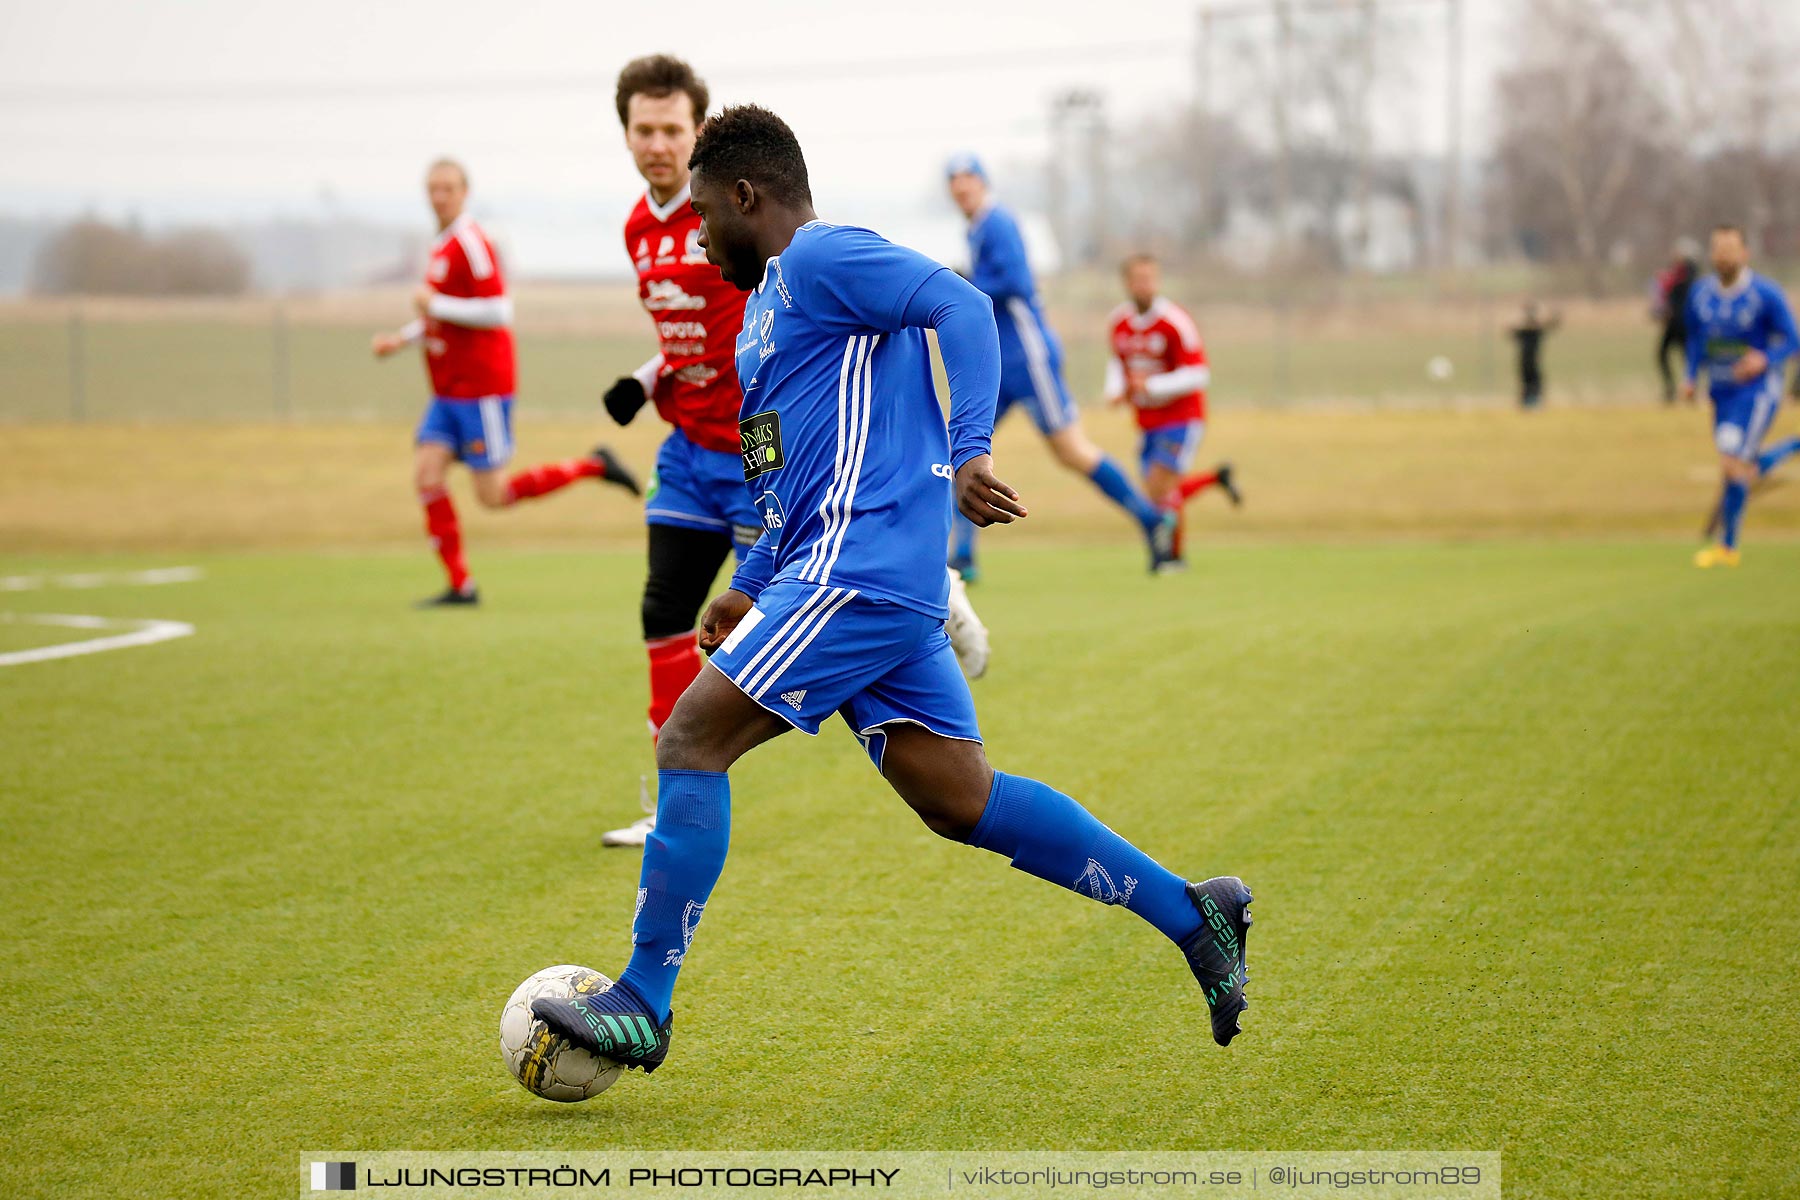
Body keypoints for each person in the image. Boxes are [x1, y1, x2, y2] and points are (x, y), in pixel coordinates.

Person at [531, 106, 1253, 1072]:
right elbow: (790, 478)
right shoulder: (759, 320)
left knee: (691, 739)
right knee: (958, 798)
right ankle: (1192, 914)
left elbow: (963, 304)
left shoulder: (824, 258)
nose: (697, 234)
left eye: (705, 212)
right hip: (852, 581)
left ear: (748, 195)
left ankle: (644, 1000)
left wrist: (969, 452)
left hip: (857, 576)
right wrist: (748, 583)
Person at [597, 59, 990, 849]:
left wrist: (967, 449)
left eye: (673, 128)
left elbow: (952, 304)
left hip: (787, 468)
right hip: (704, 446)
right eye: (644, 129)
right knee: (663, 613)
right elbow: (700, 343)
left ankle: (923, 575)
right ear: (627, 136)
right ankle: (669, 787)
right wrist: (646, 379)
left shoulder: (792, 252)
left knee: (721, 709)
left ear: (699, 135)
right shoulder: (644, 230)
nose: (658, 144)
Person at [372, 159, 639, 607]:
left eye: (448, 188)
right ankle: (461, 586)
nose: (439, 196)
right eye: (433, 188)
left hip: (481, 389)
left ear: (464, 192)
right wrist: (402, 339)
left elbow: (498, 311)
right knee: (426, 472)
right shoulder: (439, 247)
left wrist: (434, 304)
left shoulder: (471, 243)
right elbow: (442, 318)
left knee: (493, 497)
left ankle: (594, 466)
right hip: (447, 392)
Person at [944, 155, 1178, 578]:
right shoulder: (977, 228)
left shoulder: (997, 223)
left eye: (968, 179)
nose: (961, 187)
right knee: (959, 448)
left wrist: (966, 284)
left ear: (983, 183)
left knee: (1071, 451)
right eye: (954, 181)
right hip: (999, 362)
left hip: (1029, 359)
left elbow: (1016, 282)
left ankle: (1152, 520)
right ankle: (963, 556)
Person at [1104, 253, 1241, 570]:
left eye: (1150, 279)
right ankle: (1214, 481)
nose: (1145, 285)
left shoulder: (1175, 322)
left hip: (1182, 417)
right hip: (1147, 421)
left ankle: (1170, 557)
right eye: (1138, 279)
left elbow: (1199, 373)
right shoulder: (1120, 322)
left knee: (1158, 486)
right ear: (1126, 283)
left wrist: (1152, 386)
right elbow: (1118, 362)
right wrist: (1114, 390)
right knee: (1161, 493)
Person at [1684, 224, 1800, 568]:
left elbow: (1793, 340)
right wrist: (1690, 376)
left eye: (1731, 249)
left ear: (1745, 253)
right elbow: (1694, 339)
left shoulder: (1765, 294)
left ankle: (1728, 548)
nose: (1724, 255)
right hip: (1721, 392)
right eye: (1718, 249)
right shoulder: (1700, 294)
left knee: (1732, 463)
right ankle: (1793, 446)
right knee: (1740, 470)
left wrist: (1765, 358)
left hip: (1757, 392)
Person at [1653, 242, 1698, 405]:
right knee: (1662, 354)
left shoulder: (1689, 272)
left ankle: (1690, 389)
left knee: (1687, 356)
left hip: (1683, 322)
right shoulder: (1674, 272)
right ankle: (1671, 388)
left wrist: (1667, 279)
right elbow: (1666, 295)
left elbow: (1683, 288)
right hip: (1671, 322)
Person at [1509, 300, 1560, 411]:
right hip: (1524, 361)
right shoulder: (1524, 329)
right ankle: (1526, 403)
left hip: (1533, 361)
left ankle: (1535, 402)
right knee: (1526, 382)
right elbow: (1510, 331)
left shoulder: (1536, 329)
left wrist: (1554, 314)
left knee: (1534, 381)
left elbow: (1552, 324)